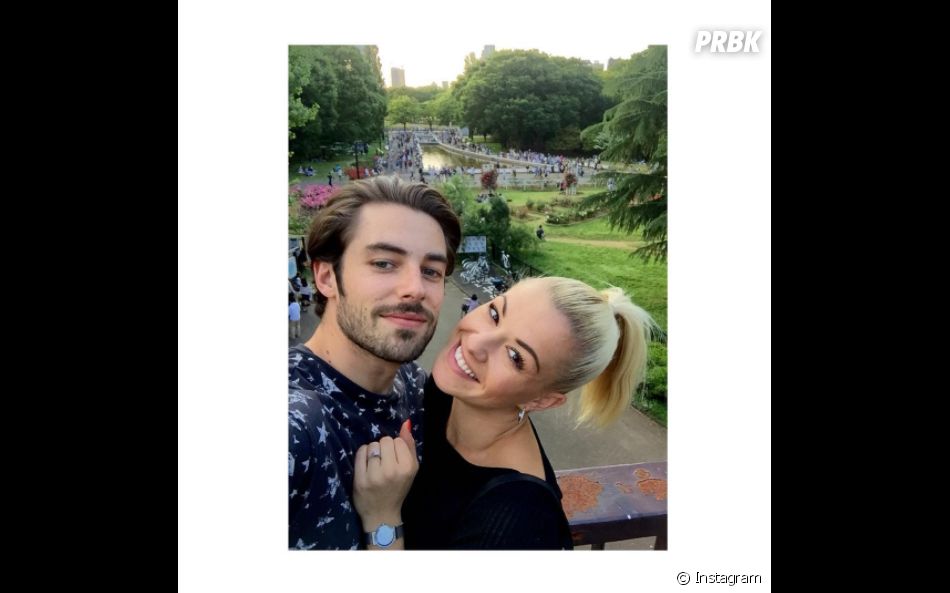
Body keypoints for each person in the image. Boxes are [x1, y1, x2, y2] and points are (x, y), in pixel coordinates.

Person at [353, 276, 656, 549]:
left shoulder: (518, 519)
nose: (476, 343)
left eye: (515, 356)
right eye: (495, 314)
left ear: (542, 400)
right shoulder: (446, 393)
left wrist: (382, 518)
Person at [289, 176, 462, 550]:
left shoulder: (415, 385)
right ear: (326, 277)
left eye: (431, 271)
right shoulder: (295, 423)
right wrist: (384, 527)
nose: (415, 288)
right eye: (384, 263)